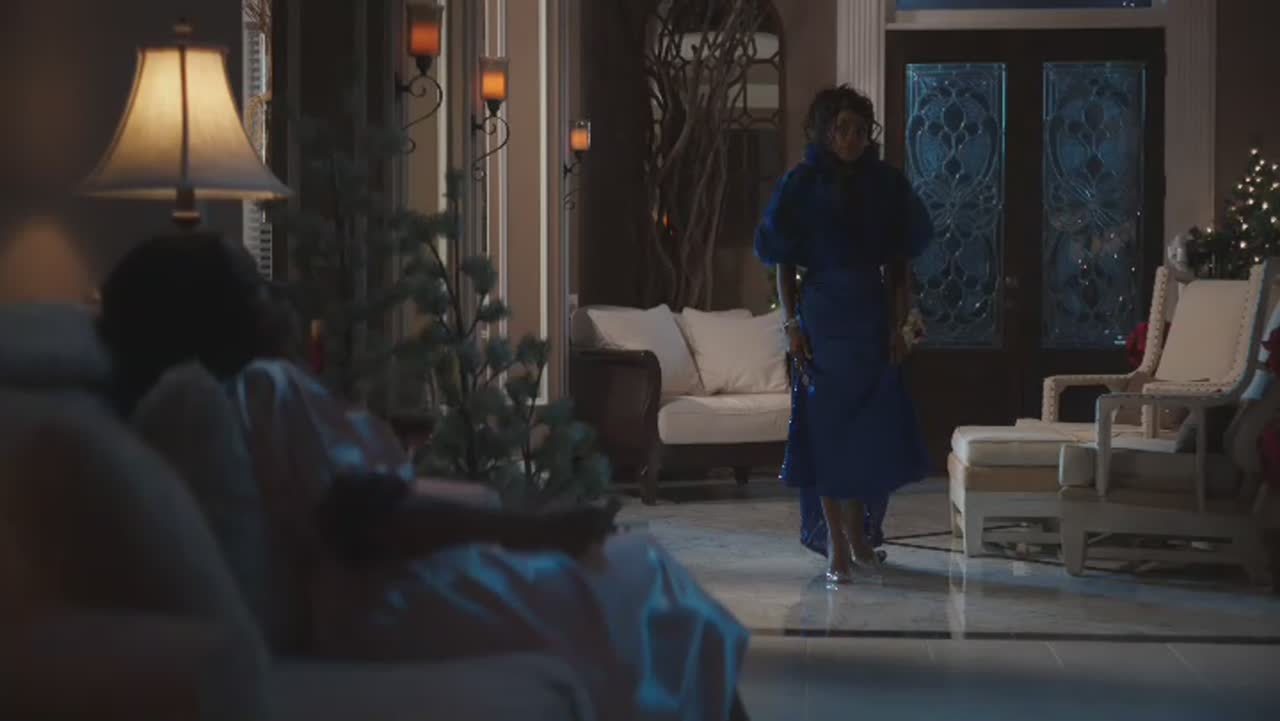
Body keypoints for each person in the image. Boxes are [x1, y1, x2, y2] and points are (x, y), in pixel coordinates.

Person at [97, 232, 752, 721]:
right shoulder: (266, 386)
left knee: (642, 576)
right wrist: (534, 530)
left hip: (371, 593)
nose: (282, 293)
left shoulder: (247, 393)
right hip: (388, 595)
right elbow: (362, 517)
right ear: (221, 315)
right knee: (645, 580)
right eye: (256, 287)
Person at [755, 85, 934, 584]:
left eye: (860, 130)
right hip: (822, 320)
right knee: (829, 434)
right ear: (825, 131)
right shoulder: (801, 184)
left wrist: (902, 324)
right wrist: (791, 324)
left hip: (871, 319)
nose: (852, 138)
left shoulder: (886, 184)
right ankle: (836, 541)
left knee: (868, 436)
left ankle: (859, 536)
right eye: (842, 129)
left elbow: (899, 266)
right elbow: (781, 262)